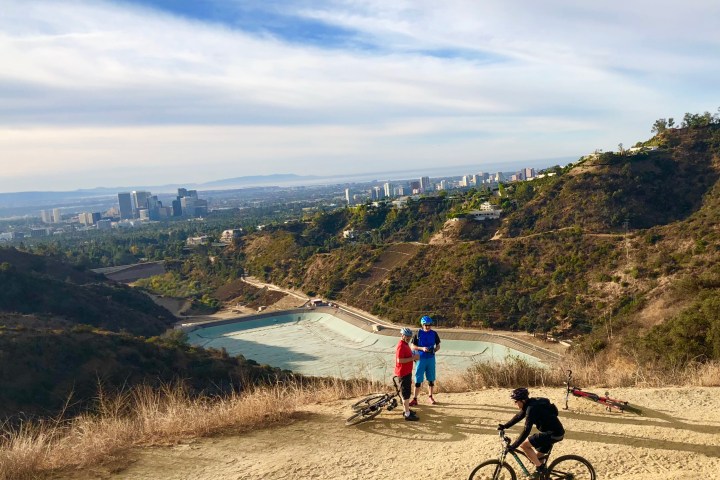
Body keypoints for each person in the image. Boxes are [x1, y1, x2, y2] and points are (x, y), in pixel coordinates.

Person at [498, 387, 565, 479]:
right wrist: (505, 426)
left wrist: (514, 445)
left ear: (522, 400)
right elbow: (518, 416)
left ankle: (540, 468)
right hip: (552, 433)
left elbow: (526, 430)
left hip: (554, 434)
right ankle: (543, 474)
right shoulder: (529, 404)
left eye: (516, 401)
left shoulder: (531, 409)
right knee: (537, 458)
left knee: (524, 445)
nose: (514, 403)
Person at [409, 315, 441, 406]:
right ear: (422, 325)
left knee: (431, 379)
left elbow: (438, 346)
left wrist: (434, 350)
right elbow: (412, 346)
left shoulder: (434, 333)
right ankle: (415, 399)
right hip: (420, 359)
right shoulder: (418, 334)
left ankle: (430, 397)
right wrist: (422, 348)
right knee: (418, 379)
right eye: (426, 325)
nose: (427, 327)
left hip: (430, 359)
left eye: (429, 325)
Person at [396, 327, 420, 421]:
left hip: (407, 372)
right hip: (403, 373)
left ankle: (406, 409)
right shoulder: (401, 346)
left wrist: (413, 357)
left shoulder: (405, 344)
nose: (408, 338)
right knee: (406, 394)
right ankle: (407, 414)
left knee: (406, 392)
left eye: (409, 336)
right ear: (402, 335)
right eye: (406, 336)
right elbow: (400, 360)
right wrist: (413, 357)